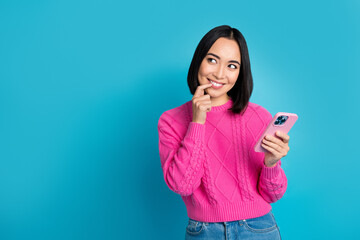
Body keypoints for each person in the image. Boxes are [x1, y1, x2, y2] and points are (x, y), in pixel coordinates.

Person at [157, 25, 290, 240]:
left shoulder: (259, 116)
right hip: (204, 231)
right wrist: (197, 122)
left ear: (240, 72)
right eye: (212, 60)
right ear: (198, 60)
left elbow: (272, 194)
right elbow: (183, 185)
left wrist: (271, 163)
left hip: (258, 229)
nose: (220, 73)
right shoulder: (170, 121)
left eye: (231, 65)